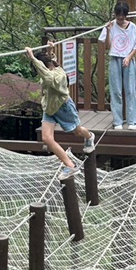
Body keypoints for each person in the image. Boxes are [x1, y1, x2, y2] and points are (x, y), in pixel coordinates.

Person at [26, 43, 95, 179]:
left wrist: (33, 58)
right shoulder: (52, 66)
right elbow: (50, 62)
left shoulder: (58, 75)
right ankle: (70, 165)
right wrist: (50, 50)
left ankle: (89, 137)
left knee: (77, 132)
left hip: (63, 108)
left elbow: (48, 77)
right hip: (50, 109)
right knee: (46, 138)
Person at [98, 1, 136, 130]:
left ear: (126, 15)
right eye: (118, 15)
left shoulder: (132, 27)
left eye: (123, 15)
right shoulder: (110, 25)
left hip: (129, 59)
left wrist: (128, 58)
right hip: (115, 59)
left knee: (130, 90)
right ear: (115, 14)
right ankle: (117, 121)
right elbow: (107, 47)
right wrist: (107, 31)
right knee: (115, 91)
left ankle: (132, 120)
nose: (120, 18)